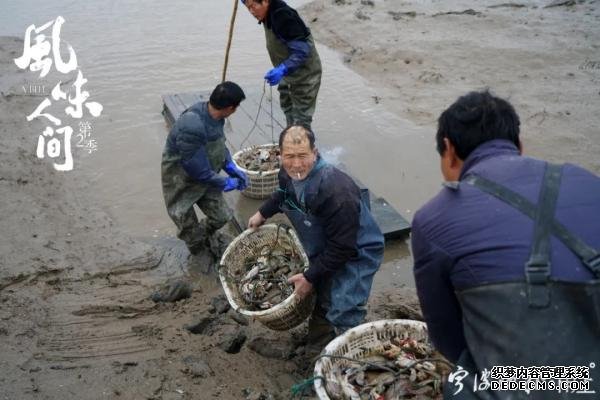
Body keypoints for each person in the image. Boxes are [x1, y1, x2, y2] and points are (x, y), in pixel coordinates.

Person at [411, 90, 600, 398]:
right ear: (519, 145)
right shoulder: (588, 181)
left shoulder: (435, 217)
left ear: (448, 149)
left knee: (462, 381)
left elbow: (449, 337)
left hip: (547, 383)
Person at [248, 125, 384, 352]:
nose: (297, 164)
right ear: (280, 155)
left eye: (303, 156)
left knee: (344, 307)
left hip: (355, 253)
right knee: (322, 295)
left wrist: (309, 276)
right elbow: (283, 194)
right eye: (289, 156)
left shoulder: (335, 191)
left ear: (315, 152)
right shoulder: (287, 172)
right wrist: (263, 212)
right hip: (325, 246)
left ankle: (352, 354)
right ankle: (318, 345)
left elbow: (343, 248)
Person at [161, 81, 248, 264]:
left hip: (208, 175)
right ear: (230, 107)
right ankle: (198, 252)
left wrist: (230, 166)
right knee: (186, 223)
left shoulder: (217, 118)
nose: (236, 110)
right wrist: (226, 183)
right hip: (181, 178)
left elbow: (219, 145)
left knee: (223, 216)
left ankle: (205, 234)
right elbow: (197, 170)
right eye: (237, 106)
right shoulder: (192, 124)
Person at [242, 0, 322, 129]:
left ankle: (302, 146)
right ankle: (291, 138)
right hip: (287, 73)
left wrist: (282, 69)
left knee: (301, 119)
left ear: (266, 1)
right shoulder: (266, 13)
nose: (251, 11)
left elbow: (301, 51)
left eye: (253, 6)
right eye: (247, 7)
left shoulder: (282, 16)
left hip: (304, 76)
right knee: (287, 108)